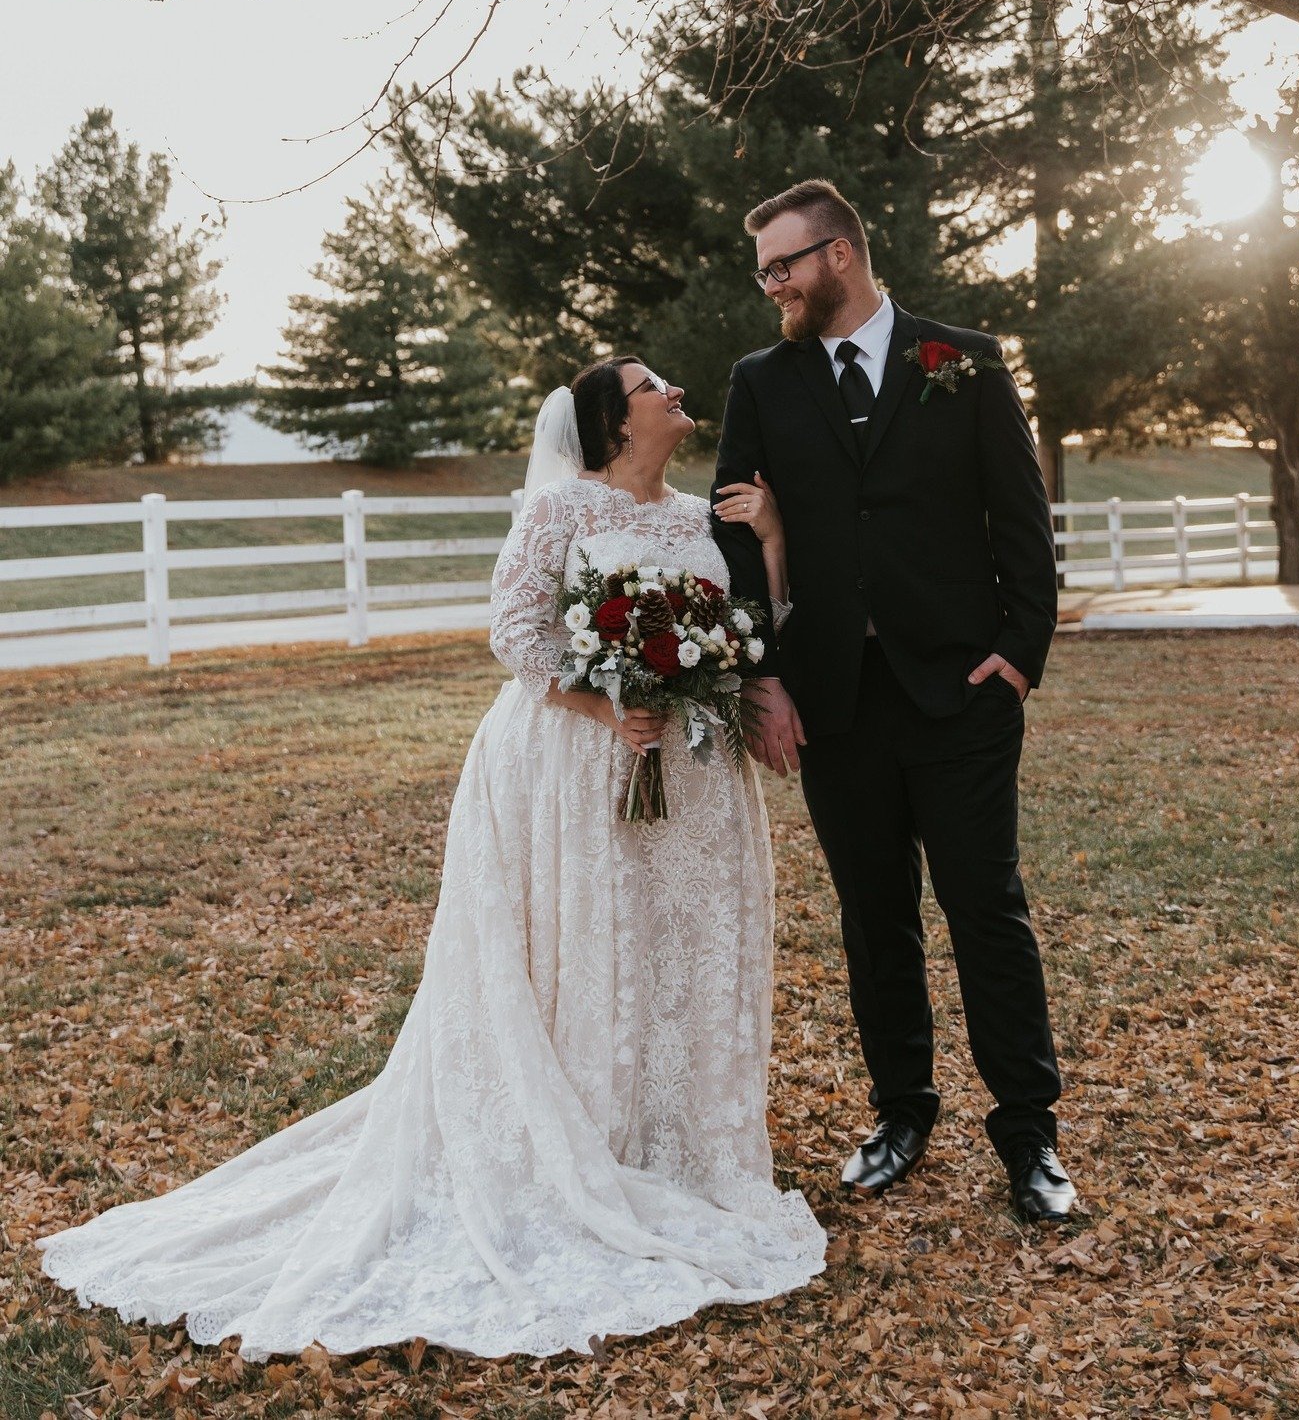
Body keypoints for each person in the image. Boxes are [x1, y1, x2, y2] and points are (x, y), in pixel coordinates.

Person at [37, 358, 825, 1361]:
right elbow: (515, 626)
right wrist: (605, 704)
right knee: (596, 941)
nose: (673, 385)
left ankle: (679, 1141)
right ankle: (592, 1132)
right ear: (611, 421)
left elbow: (746, 629)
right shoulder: (563, 507)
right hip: (585, 759)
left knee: (675, 941)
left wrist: (769, 538)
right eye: (648, 381)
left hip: (695, 770)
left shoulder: (703, 514)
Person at [710, 178, 1077, 1223]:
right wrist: (762, 675)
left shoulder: (961, 358)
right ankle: (903, 1112)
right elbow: (735, 530)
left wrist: (1017, 652)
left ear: (838, 255)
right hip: (835, 700)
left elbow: (1021, 511)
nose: (770, 284)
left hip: (961, 691)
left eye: (783, 264)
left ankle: (1030, 1135)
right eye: (764, 269)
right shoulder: (761, 381)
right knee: (877, 920)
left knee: (987, 911)